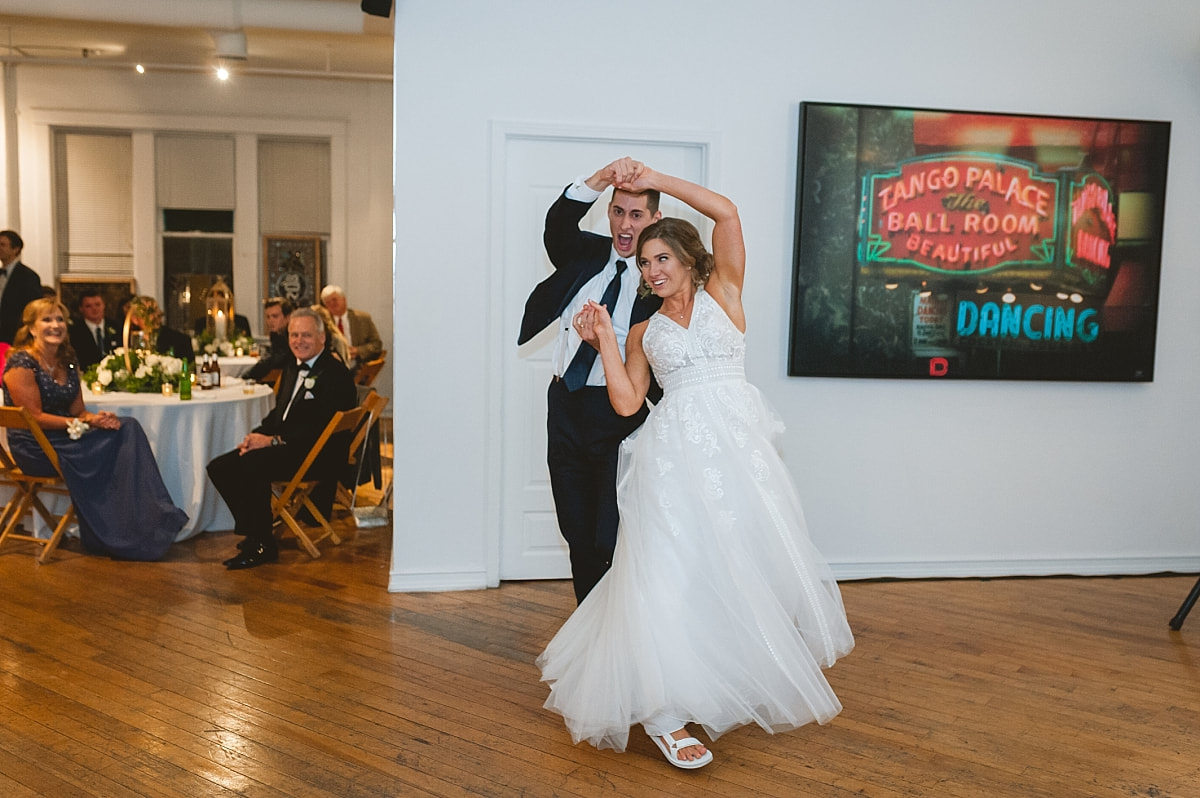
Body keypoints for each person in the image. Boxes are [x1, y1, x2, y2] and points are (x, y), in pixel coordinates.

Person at [537, 162, 855, 769]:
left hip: (741, 465)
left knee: (731, 572)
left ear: (688, 258)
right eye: (646, 263)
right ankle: (661, 713)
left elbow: (727, 212)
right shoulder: (643, 332)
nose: (652, 271)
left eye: (662, 259)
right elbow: (628, 402)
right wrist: (604, 336)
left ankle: (707, 680)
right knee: (665, 574)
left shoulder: (725, 295)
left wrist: (656, 177)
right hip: (671, 463)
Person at [517, 157, 663, 603]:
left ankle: (622, 629)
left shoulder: (659, 281)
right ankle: (590, 633)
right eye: (617, 211)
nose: (624, 224)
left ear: (655, 220)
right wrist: (601, 178)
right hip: (565, 405)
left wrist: (604, 343)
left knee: (611, 535)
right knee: (577, 531)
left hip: (619, 415)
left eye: (636, 215)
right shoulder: (584, 254)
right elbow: (557, 224)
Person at [1, 297, 187, 560]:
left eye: (59, 319)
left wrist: (98, 418)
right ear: (31, 328)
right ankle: (119, 530)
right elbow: (34, 417)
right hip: (36, 447)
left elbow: (79, 411)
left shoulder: (68, 359)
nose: (55, 325)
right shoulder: (21, 363)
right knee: (119, 437)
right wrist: (83, 423)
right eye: (47, 320)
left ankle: (145, 522)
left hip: (66, 435)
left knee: (126, 428)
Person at [206, 307, 357, 570]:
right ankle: (255, 530)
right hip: (291, 445)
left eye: (306, 335)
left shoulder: (335, 374)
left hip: (316, 454)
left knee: (253, 465)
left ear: (322, 338)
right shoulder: (292, 366)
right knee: (220, 467)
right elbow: (280, 413)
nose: (299, 341)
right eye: (294, 335)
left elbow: (319, 429)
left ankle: (263, 544)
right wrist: (259, 435)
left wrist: (273, 441)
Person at [0, 230, 47, 345]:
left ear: (16, 249)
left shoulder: (28, 276)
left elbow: (33, 309)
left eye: (2, 245)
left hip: (15, 336)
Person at [319, 285, 382, 369]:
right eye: (327, 302)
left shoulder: (363, 318)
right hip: (331, 368)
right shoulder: (322, 322)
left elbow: (377, 345)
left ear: (344, 300)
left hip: (358, 368)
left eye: (334, 299)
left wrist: (358, 351)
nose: (332, 304)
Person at [244, 296, 294, 382]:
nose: (270, 321)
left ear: (288, 317)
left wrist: (247, 377)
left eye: (275, 316)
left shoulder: (292, 335)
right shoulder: (275, 334)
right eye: (268, 317)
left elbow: (273, 360)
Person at [68, 289, 120, 369]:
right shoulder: (74, 331)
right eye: (89, 306)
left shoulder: (117, 327)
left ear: (104, 305)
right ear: (81, 309)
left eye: (97, 305)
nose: (94, 309)